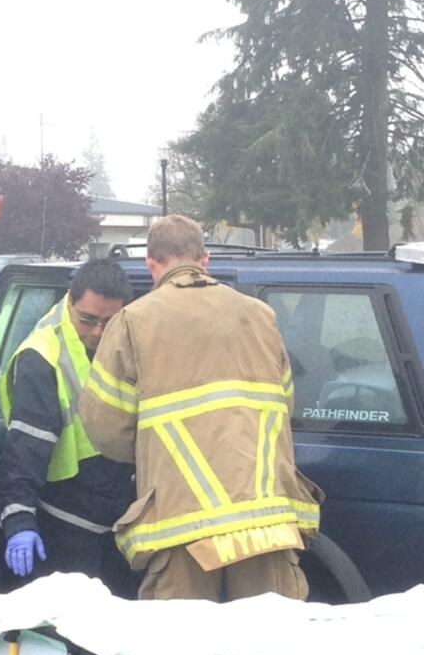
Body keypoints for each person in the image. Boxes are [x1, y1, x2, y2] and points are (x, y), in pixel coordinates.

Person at [80, 214, 321, 601]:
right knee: (268, 649)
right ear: (204, 259)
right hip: (266, 522)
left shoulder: (132, 322)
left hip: (180, 528)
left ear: (151, 264)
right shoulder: (261, 316)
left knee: (183, 653)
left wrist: (152, 452)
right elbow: (285, 404)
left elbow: (105, 427)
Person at [0, 257, 135, 592]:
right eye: (88, 320)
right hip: (70, 523)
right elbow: (25, 447)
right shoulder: (42, 356)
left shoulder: (129, 341)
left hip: (120, 520)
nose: (97, 332)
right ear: (70, 300)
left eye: (107, 322)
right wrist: (18, 518)